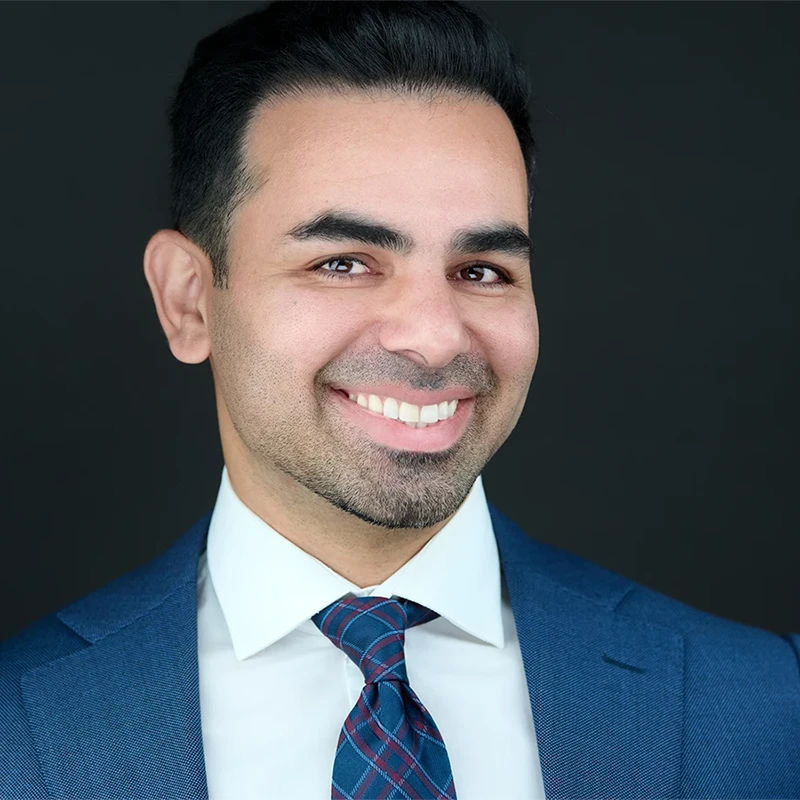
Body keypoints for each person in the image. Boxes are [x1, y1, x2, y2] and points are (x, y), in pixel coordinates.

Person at [1, 0, 798, 797]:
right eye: (343, 263)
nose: (435, 338)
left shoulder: (766, 708)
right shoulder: (18, 733)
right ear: (189, 301)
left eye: (481, 271)